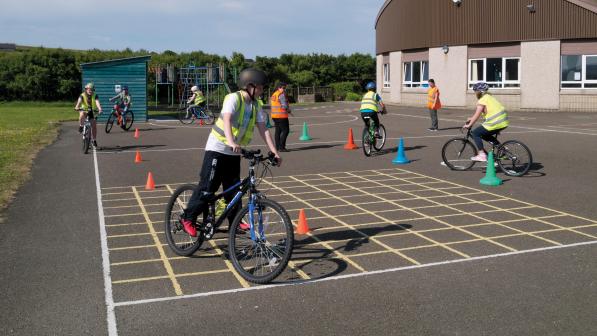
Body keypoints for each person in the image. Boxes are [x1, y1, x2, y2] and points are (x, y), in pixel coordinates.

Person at [180, 68, 282, 237]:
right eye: (261, 87)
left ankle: (235, 221)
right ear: (250, 86)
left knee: (233, 190)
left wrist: (274, 152)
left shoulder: (256, 105)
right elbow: (227, 119)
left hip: (234, 153)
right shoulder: (233, 98)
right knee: (207, 188)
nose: (263, 90)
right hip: (217, 148)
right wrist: (231, 141)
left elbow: (264, 130)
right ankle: (188, 218)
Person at [464, 82, 509, 162]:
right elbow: (486, 112)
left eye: (475, 91)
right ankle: (502, 149)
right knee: (484, 134)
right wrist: (471, 118)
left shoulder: (482, 100)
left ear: (479, 91)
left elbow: (477, 114)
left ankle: (482, 154)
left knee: (475, 133)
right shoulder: (489, 97)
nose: (475, 93)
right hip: (502, 122)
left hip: (495, 122)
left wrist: (469, 124)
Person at [74, 83, 103, 147]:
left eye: (92, 89)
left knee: (94, 125)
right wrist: (77, 107)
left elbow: (97, 102)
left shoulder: (95, 95)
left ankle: (94, 140)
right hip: (84, 110)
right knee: (81, 114)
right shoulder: (82, 95)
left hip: (93, 111)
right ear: (86, 89)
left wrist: (100, 109)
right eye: (89, 89)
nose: (90, 91)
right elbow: (79, 102)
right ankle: (81, 126)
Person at [270, 82, 293, 152]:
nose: (284, 89)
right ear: (278, 88)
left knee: (278, 131)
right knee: (286, 131)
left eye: (285, 88)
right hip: (281, 115)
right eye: (283, 88)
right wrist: (288, 110)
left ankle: (277, 147)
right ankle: (282, 147)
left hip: (274, 116)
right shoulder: (281, 94)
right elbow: (284, 105)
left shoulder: (274, 94)